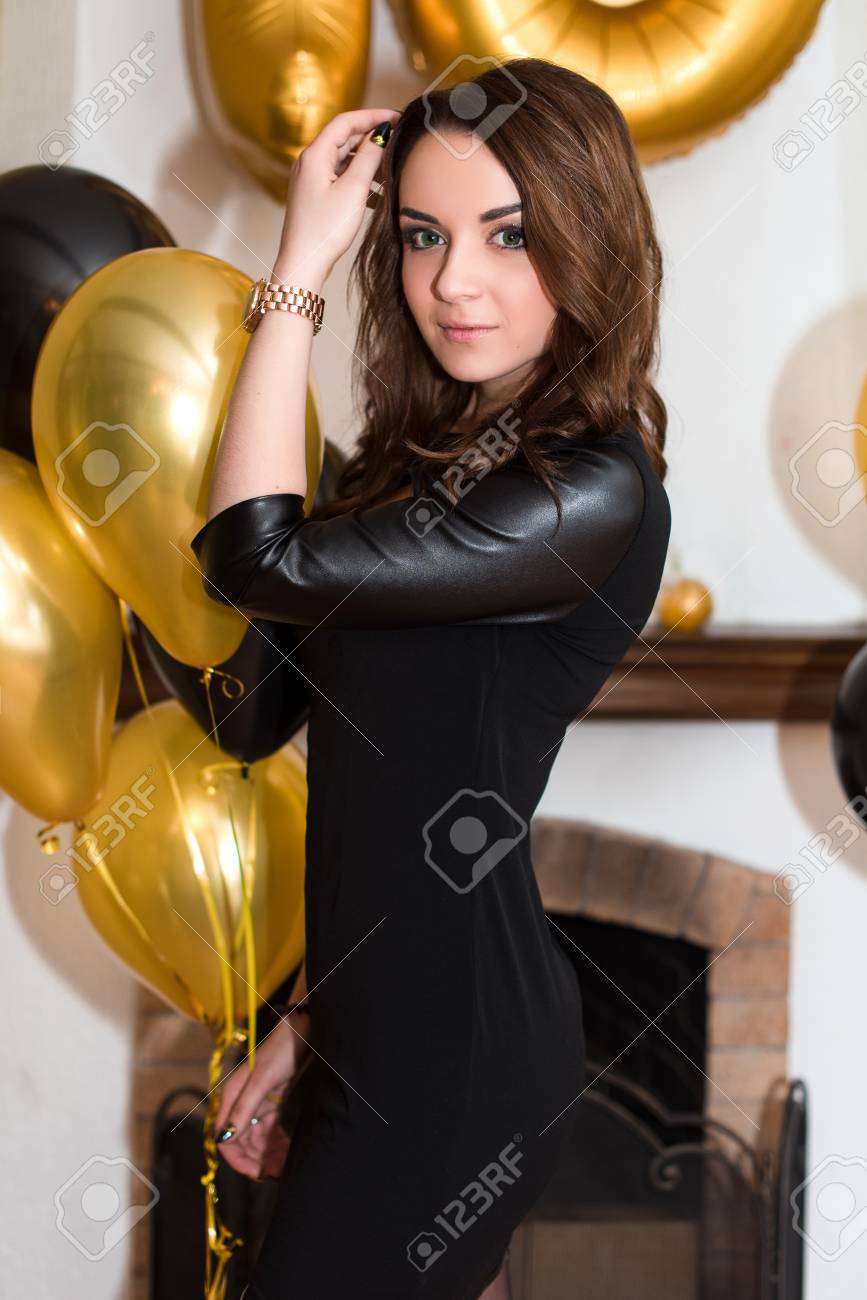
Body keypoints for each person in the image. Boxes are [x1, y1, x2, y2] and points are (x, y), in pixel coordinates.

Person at [191, 56, 672, 1300]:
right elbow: (270, 725)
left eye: (509, 235)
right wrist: (309, 1018)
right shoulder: (404, 477)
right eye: (419, 235)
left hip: (459, 1059)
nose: (454, 280)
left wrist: (296, 271)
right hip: (374, 1024)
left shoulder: (590, 492)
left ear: (592, 238)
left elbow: (254, 557)